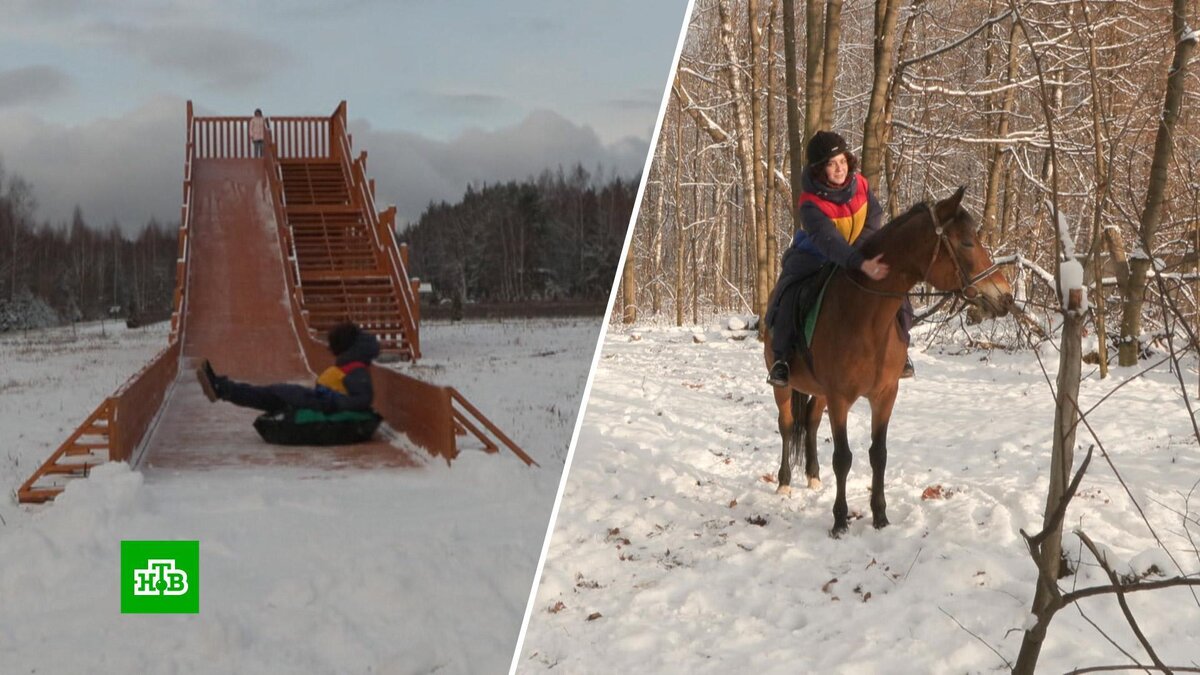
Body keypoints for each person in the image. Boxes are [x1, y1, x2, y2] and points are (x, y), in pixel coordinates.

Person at [766, 131, 914, 387]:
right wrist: (857, 260)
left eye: (843, 161)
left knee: (894, 284)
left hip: (857, 252)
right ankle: (782, 359)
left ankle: (902, 349)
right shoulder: (810, 203)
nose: (839, 168)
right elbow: (828, 241)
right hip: (814, 256)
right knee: (791, 292)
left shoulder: (861, 186)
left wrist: (859, 253)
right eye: (832, 163)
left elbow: (874, 218)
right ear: (820, 169)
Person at [196, 321, 380, 414]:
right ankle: (222, 387)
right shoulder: (353, 365)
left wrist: (332, 400)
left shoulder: (356, 369)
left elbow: (363, 400)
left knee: (268, 395)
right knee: (266, 394)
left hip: (317, 403)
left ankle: (222, 388)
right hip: (314, 399)